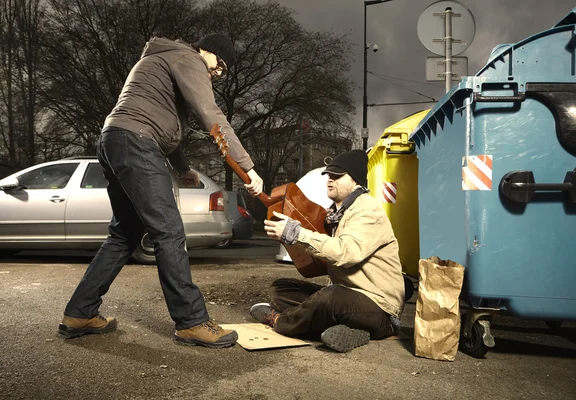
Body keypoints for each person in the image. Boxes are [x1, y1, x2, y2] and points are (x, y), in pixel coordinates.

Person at [58, 33, 263, 349]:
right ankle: (191, 322)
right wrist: (247, 167)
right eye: (220, 64)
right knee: (169, 231)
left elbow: (168, 128)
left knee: (125, 234)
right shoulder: (188, 59)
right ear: (205, 51)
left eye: (224, 71)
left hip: (115, 140)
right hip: (136, 142)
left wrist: (183, 170)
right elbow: (212, 116)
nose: (220, 73)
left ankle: (80, 312)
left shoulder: (163, 60)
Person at [251, 149, 405, 352]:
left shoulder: (367, 210)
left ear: (356, 180)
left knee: (329, 298)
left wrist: (297, 234)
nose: (330, 180)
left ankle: (281, 321)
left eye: (337, 176)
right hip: (349, 297)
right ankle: (350, 329)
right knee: (281, 289)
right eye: (329, 175)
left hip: (380, 308)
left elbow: (345, 253)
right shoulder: (338, 214)